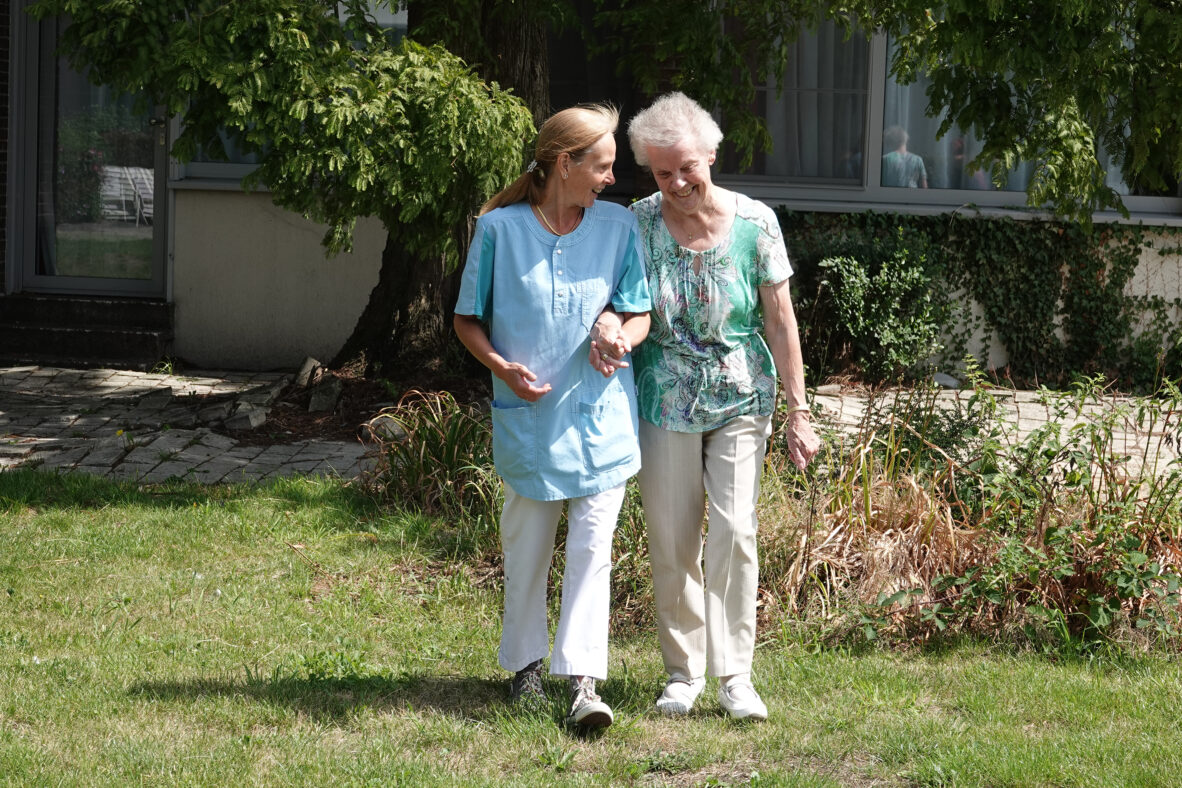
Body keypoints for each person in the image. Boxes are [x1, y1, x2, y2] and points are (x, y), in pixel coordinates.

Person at [607, 91, 820, 721]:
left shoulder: (756, 223)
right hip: (664, 396)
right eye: (661, 171)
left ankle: (736, 676)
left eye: (685, 168)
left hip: (739, 396)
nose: (675, 182)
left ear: (711, 154)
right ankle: (682, 673)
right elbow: (621, 298)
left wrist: (799, 410)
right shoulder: (637, 223)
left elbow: (781, 322)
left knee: (733, 531)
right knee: (672, 539)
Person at [453, 104, 652, 728]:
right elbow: (466, 319)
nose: (610, 179)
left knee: (594, 551)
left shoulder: (619, 228)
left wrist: (620, 332)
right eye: (602, 166)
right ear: (565, 164)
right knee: (527, 548)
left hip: (602, 420)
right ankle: (526, 669)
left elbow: (638, 309)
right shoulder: (499, 231)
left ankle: (585, 682)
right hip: (531, 422)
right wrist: (503, 367)